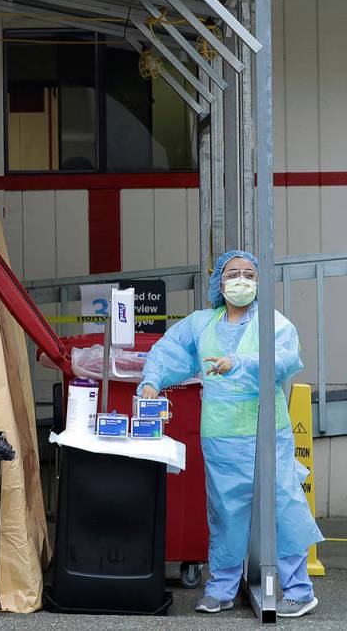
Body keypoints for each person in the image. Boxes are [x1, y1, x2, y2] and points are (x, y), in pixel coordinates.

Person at [138, 250, 323, 618]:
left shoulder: (273, 323)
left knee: (283, 506)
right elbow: (168, 350)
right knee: (226, 512)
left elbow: (286, 359)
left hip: (267, 431)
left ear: (258, 283)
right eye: (233, 273)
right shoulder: (201, 324)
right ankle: (221, 588)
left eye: (249, 275)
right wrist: (151, 381)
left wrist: (238, 363)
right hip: (221, 434)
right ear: (219, 284)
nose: (242, 280)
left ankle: (299, 590)